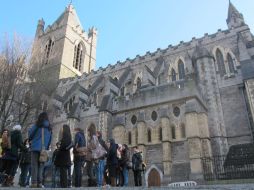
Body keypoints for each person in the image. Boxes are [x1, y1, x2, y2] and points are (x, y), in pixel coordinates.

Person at [28, 112, 52, 188]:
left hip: (35, 148)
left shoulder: (37, 125)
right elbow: (50, 140)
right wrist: (46, 148)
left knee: (34, 165)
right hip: (43, 149)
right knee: (41, 166)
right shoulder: (49, 128)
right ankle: (40, 183)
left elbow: (30, 134)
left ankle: (34, 183)